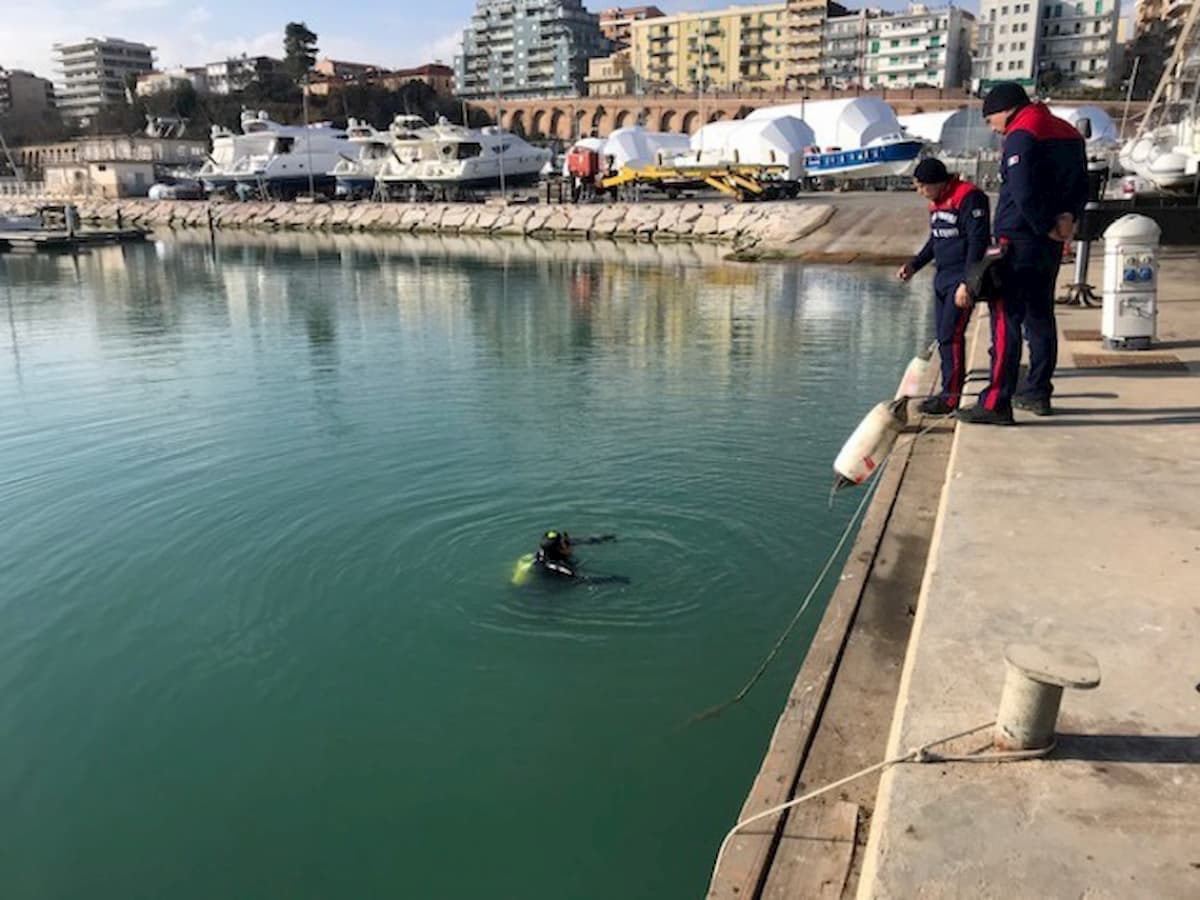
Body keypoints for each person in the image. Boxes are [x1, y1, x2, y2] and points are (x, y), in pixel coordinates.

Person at [957, 82, 1089, 425]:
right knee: (1041, 316)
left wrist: (1044, 223)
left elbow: (1022, 190)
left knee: (1005, 318)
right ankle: (1037, 391)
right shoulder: (1069, 133)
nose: (993, 128)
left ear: (1005, 110)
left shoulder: (1021, 133)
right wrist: (1067, 220)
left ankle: (996, 401)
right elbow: (1082, 185)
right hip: (1050, 241)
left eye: (991, 120)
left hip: (1017, 240)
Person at [897, 158, 990, 415]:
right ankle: (948, 390)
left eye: (921, 186)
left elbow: (977, 242)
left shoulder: (969, 197)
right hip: (942, 276)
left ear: (936, 183)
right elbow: (935, 240)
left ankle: (951, 397)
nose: (919, 192)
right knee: (943, 336)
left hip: (960, 278)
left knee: (952, 336)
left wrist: (968, 283)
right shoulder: (935, 202)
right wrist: (914, 265)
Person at [510, 530, 628, 586]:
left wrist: (608, 537)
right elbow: (584, 577)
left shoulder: (555, 548)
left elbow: (587, 540)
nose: (569, 543)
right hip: (546, 591)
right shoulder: (555, 566)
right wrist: (616, 579)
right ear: (560, 549)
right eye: (565, 543)